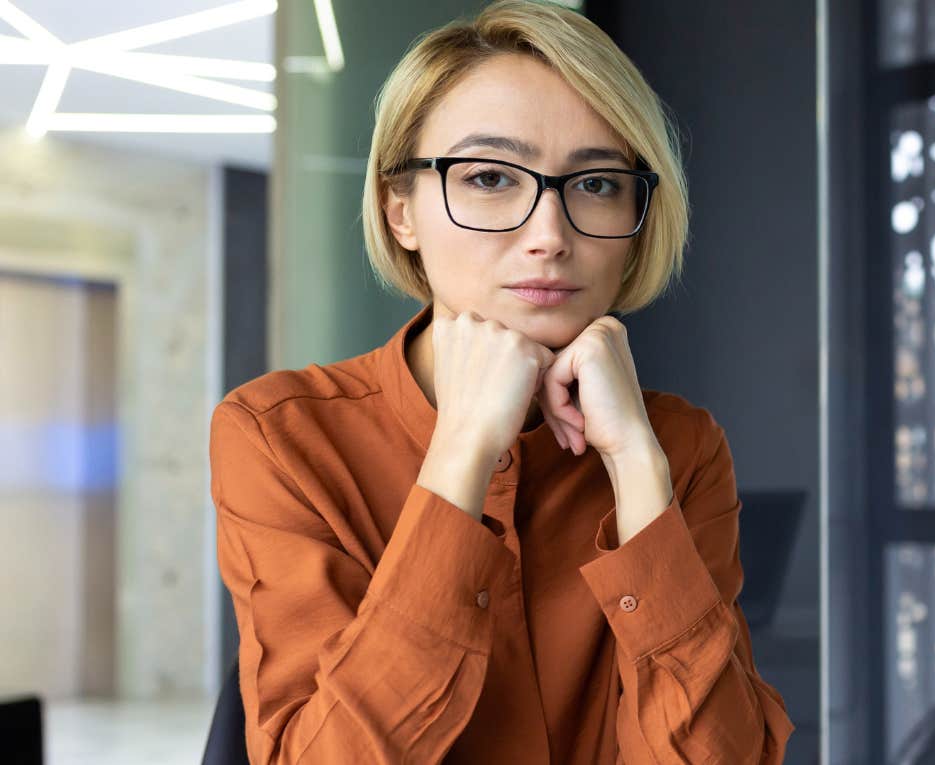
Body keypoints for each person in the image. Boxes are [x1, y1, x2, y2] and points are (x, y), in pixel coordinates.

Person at [208, 1, 794, 762]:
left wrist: (640, 473)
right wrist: (464, 449)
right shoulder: (282, 434)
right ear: (400, 212)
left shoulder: (679, 446)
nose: (550, 235)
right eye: (489, 176)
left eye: (595, 184)